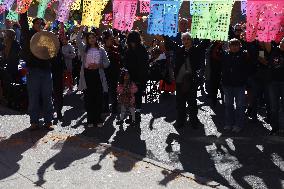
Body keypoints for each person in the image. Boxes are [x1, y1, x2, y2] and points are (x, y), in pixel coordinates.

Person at [19, 13, 54, 130]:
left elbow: (52, 51)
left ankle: (48, 121)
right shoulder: (28, 34)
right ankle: (34, 122)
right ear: (33, 24)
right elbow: (23, 23)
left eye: (42, 24)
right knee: (33, 97)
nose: (40, 25)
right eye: (38, 23)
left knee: (47, 96)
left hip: (46, 70)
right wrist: (23, 8)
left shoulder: (47, 36)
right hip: (33, 70)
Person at [76, 26, 110, 128]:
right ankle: (90, 119)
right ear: (87, 39)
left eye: (93, 37)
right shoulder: (84, 49)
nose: (92, 39)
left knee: (98, 98)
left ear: (96, 38)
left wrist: (99, 65)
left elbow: (107, 63)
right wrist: (81, 30)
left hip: (98, 75)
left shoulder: (101, 50)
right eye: (89, 38)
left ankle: (98, 119)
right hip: (87, 75)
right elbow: (77, 40)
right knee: (88, 98)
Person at [222, 39, 249, 133]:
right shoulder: (225, 55)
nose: (234, 47)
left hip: (240, 85)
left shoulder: (244, 55)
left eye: (236, 45)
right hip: (227, 84)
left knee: (240, 106)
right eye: (232, 45)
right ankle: (228, 123)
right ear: (229, 46)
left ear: (239, 46)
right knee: (228, 105)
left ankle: (239, 124)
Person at [174, 32, 201, 128]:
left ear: (191, 40)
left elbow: (205, 43)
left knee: (192, 102)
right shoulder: (179, 50)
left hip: (191, 80)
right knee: (180, 102)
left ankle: (194, 121)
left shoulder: (196, 50)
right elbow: (169, 43)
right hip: (180, 80)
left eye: (188, 39)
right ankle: (180, 121)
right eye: (184, 39)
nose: (186, 41)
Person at [124, 30, 149, 123]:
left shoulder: (141, 49)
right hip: (132, 76)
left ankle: (136, 115)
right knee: (131, 97)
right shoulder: (130, 50)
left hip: (139, 77)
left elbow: (143, 65)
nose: (132, 43)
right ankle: (132, 115)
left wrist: (140, 78)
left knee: (137, 96)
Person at [265, 39, 284, 135]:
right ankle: (275, 128)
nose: (283, 44)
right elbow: (266, 42)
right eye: (282, 42)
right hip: (273, 82)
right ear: (280, 43)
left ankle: (282, 128)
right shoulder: (273, 50)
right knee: (274, 107)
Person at [102, 30, 121, 114]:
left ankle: (114, 108)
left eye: (112, 38)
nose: (112, 40)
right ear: (105, 40)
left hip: (114, 73)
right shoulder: (101, 49)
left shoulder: (115, 48)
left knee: (113, 91)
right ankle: (105, 108)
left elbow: (121, 57)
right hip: (104, 73)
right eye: (110, 38)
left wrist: (118, 45)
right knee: (105, 91)